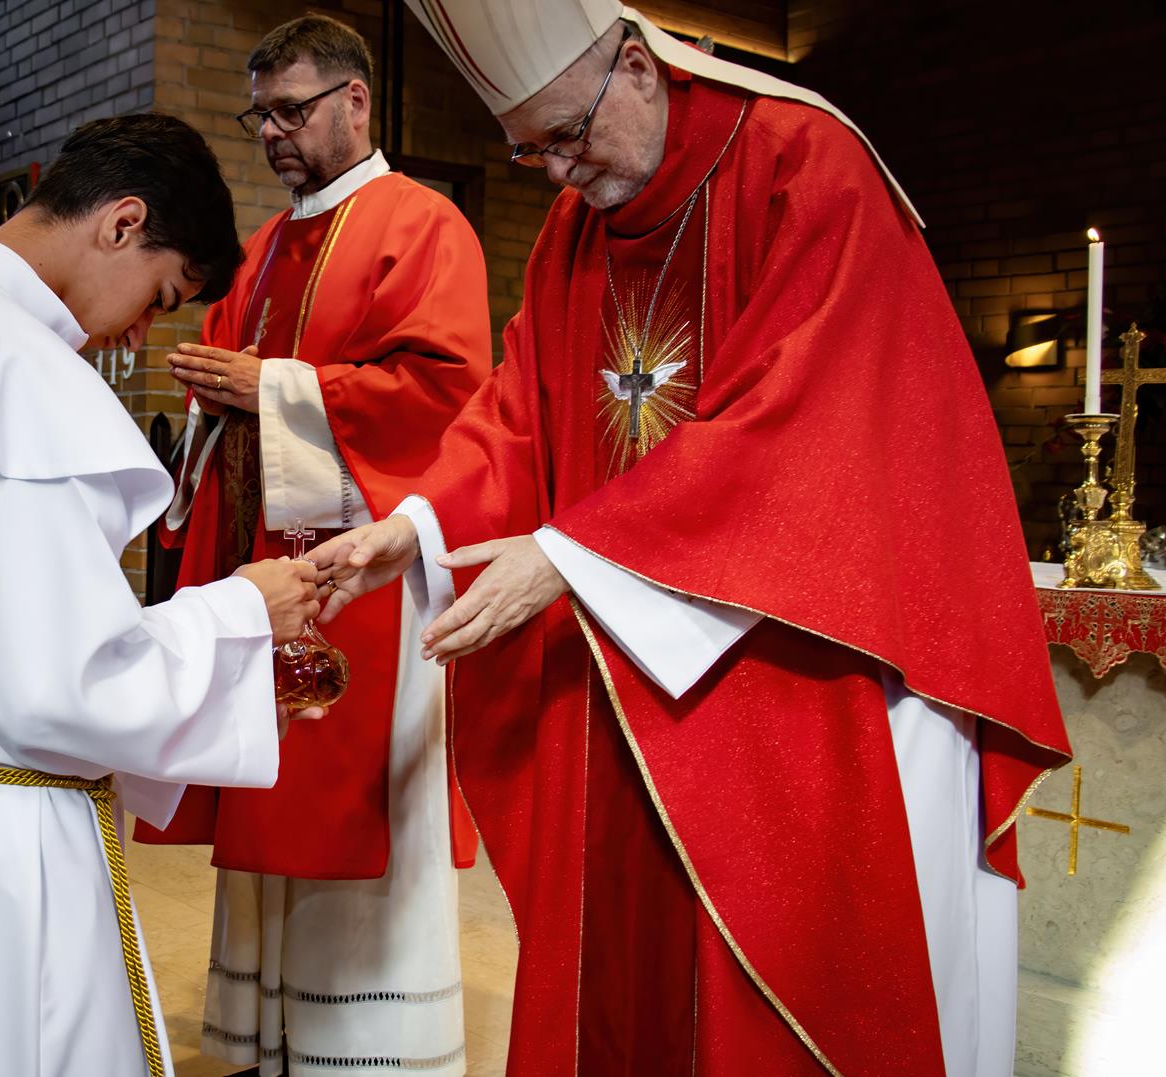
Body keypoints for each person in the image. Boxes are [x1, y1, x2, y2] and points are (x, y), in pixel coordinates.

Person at [311, 3, 1072, 1075]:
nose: (556, 172)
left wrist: (574, 556)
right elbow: (521, 407)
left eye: (566, 134)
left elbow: (810, 418)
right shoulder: (581, 225)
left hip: (811, 660)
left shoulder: (806, 164)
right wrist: (417, 524)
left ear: (636, 64)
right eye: (529, 147)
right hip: (630, 671)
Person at [0, 113, 328, 1077]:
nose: (140, 327)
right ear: (123, 222)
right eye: (163, 295)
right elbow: (73, 686)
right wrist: (246, 607)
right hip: (15, 849)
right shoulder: (21, 373)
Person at [132, 15, 491, 1076]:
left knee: (350, 818)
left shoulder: (423, 226)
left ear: (356, 102)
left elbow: (447, 395)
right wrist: (216, 404)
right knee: (268, 806)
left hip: (367, 580)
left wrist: (272, 388)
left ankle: (370, 1049)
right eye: (261, 116)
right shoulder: (270, 247)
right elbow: (237, 391)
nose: (273, 135)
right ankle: (270, 1036)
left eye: (291, 110)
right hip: (272, 584)